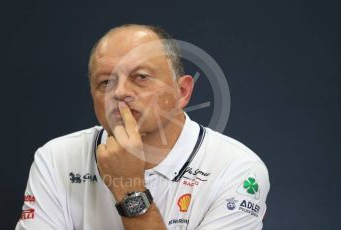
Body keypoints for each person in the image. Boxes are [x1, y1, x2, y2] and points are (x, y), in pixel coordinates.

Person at [16, 24, 270, 230]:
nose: (120, 92)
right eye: (105, 82)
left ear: (182, 92)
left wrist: (129, 188)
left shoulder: (237, 170)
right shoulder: (55, 158)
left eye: (141, 77)